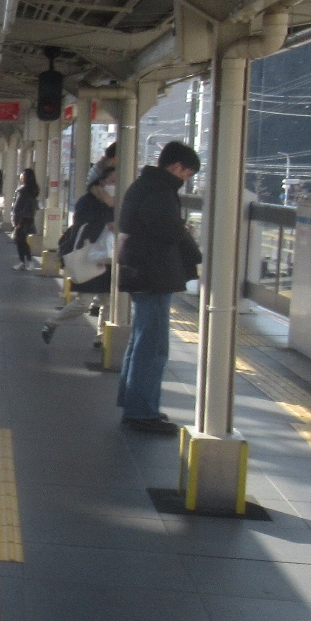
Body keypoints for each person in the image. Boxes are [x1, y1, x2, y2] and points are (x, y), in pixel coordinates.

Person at [115, 140, 202, 433]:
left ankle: (133, 404)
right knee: (152, 347)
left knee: (141, 341)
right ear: (176, 167)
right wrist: (184, 233)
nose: (185, 180)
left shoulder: (144, 185)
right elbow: (166, 230)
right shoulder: (159, 190)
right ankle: (141, 412)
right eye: (186, 174)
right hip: (153, 273)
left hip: (142, 271)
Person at [42, 173, 114, 344]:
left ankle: (101, 337)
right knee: (84, 302)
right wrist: (107, 210)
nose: (114, 186)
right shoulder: (87, 202)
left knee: (108, 300)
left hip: (107, 257)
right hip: (88, 256)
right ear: (100, 183)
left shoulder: (114, 203)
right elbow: (82, 225)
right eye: (111, 181)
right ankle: (52, 323)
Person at [10, 168, 40, 269]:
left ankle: (26, 261)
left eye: (23, 175)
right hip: (29, 217)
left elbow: (17, 206)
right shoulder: (34, 189)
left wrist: (15, 220)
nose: (21, 176)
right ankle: (24, 262)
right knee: (22, 239)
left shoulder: (22, 190)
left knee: (20, 240)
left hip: (21, 219)